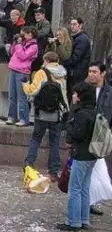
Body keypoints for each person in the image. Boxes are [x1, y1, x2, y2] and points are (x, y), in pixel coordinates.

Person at [57, 81, 97, 232]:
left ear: (80, 97)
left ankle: (73, 222)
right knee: (85, 188)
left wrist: (69, 125)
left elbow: (77, 135)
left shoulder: (81, 114)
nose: (73, 96)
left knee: (74, 189)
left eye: (75, 93)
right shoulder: (94, 111)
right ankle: (84, 219)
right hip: (92, 154)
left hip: (81, 154)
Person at [23, 52, 68, 181]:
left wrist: (25, 85)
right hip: (56, 113)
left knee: (36, 139)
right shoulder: (62, 74)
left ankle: (29, 165)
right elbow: (63, 94)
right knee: (55, 142)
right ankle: (53, 171)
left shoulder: (41, 73)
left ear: (46, 60)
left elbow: (33, 90)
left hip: (41, 113)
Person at [87, 61, 112, 216]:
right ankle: (88, 201)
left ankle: (91, 200)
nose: (91, 74)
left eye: (94, 72)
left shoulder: (109, 93)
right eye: (89, 71)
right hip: (85, 134)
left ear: (102, 73)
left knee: (98, 169)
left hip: (101, 135)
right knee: (90, 170)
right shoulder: (84, 89)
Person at [7, 26, 39, 126]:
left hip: (22, 72)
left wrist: (19, 44)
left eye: (25, 33)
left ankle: (24, 119)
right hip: (13, 69)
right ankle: (12, 116)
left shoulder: (34, 46)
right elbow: (13, 52)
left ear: (31, 34)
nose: (23, 35)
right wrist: (15, 43)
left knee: (22, 97)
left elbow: (23, 56)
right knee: (12, 96)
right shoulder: (22, 43)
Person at [63, 18, 92, 100]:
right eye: (71, 24)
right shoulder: (77, 38)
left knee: (74, 97)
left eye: (74, 24)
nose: (72, 26)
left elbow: (76, 58)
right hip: (75, 72)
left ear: (81, 25)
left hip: (77, 74)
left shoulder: (82, 39)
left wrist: (63, 63)